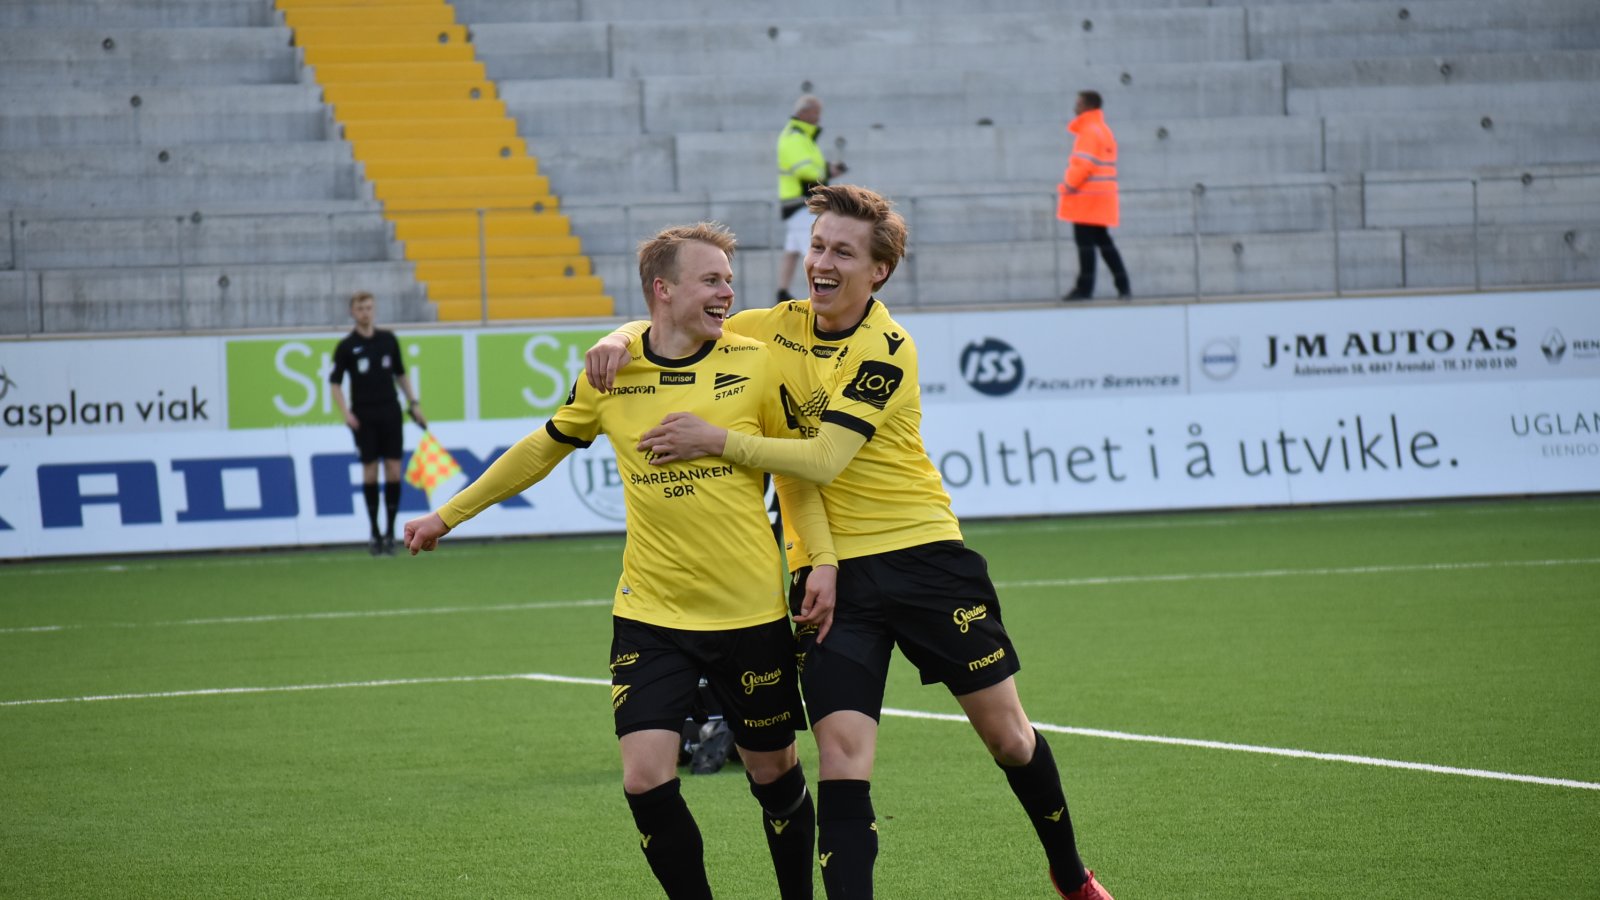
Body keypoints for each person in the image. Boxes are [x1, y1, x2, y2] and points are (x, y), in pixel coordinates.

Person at [584, 186, 1116, 900]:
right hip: (830, 576)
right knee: (840, 760)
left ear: (878, 271)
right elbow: (677, 316)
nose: (821, 263)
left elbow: (824, 459)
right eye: (817, 246)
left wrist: (717, 439)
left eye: (841, 251)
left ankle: (1071, 875)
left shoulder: (887, 349)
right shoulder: (774, 326)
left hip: (924, 558)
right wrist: (618, 337)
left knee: (1009, 739)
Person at [404, 223, 838, 900]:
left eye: (728, 280)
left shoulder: (757, 364)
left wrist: (823, 561)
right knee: (644, 779)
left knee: (773, 775)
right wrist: (447, 515)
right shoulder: (611, 372)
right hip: (650, 614)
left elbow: (797, 477)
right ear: (663, 290)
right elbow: (541, 447)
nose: (728, 292)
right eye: (711, 280)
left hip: (749, 614)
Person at [329, 290, 425, 556]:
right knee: (370, 471)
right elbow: (335, 383)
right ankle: (373, 531)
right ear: (353, 312)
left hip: (390, 412)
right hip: (364, 415)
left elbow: (401, 374)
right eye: (360, 308)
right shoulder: (347, 346)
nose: (365, 313)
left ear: (374, 310)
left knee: (393, 470)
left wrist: (414, 403)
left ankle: (390, 532)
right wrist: (346, 413)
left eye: (369, 307)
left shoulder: (388, 340)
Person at [1058, 90, 1130, 302]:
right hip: (1101, 197)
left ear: (1088, 106)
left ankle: (1084, 289)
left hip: (1086, 198)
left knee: (1086, 245)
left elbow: (1083, 165)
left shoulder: (1088, 131)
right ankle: (1123, 285)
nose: (1075, 107)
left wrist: (1067, 185)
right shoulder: (1103, 130)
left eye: (1078, 103)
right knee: (1104, 244)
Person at [777, 94, 846, 304]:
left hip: (798, 203)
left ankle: (782, 292)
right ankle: (819, 293)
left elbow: (809, 166)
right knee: (814, 250)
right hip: (802, 203)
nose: (818, 118)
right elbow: (804, 170)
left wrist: (827, 169)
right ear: (805, 112)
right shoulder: (795, 137)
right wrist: (827, 172)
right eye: (816, 113)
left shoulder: (800, 137)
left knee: (792, 250)